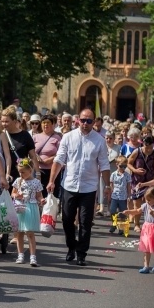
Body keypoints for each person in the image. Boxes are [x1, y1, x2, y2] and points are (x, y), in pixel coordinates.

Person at [46, 109, 111, 266]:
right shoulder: (68, 137)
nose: (85, 123)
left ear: (94, 122)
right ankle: (71, 247)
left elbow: (104, 164)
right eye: (83, 120)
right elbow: (59, 160)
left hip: (89, 187)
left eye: (89, 121)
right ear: (78, 121)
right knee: (67, 220)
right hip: (69, 185)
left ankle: (81, 253)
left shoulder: (99, 140)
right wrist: (51, 180)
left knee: (85, 221)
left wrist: (108, 185)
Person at [118, 187, 154, 273]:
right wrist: (129, 212)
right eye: (146, 200)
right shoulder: (146, 205)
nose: (147, 202)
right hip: (147, 228)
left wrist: (153, 214)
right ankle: (146, 266)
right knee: (146, 248)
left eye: (149, 200)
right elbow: (137, 211)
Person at [11, 158, 44, 266]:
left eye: (23, 172)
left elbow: (39, 195)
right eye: (19, 172)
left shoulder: (36, 182)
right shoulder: (18, 181)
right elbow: (13, 193)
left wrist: (41, 200)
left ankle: (33, 256)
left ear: (30, 171)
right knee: (19, 233)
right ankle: (20, 255)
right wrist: (17, 195)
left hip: (31, 207)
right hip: (20, 207)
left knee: (30, 233)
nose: (21, 174)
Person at [126, 135, 154, 232]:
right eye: (147, 147)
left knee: (148, 204)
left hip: (149, 181)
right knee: (137, 204)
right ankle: (137, 224)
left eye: (151, 147)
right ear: (143, 144)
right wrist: (135, 170)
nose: (149, 149)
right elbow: (128, 163)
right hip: (137, 181)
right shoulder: (137, 151)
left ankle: (147, 223)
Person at [33, 114, 63, 198]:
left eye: (48, 123)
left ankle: (51, 210)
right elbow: (30, 151)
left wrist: (50, 159)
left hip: (53, 170)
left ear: (53, 124)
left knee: (52, 194)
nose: (45, 125)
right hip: (38, 170)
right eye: (43, 123)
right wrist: (35, 156)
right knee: (38, 193)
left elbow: (61, 153)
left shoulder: (57, 137)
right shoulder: (35, 137)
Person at [108, 156, 131, 233]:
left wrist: (129, 195)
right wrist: (109, 194)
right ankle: (114, 223)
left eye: (125, 166)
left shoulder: (127, 175)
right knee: (112, 211)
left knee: (122, 213)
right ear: (117, 164)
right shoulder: (113, 174)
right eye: (121, 166)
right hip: (114, 196)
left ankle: (121, 227)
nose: (123, 168)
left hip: (123, 197)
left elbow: (128, 186)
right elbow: (111, 185)